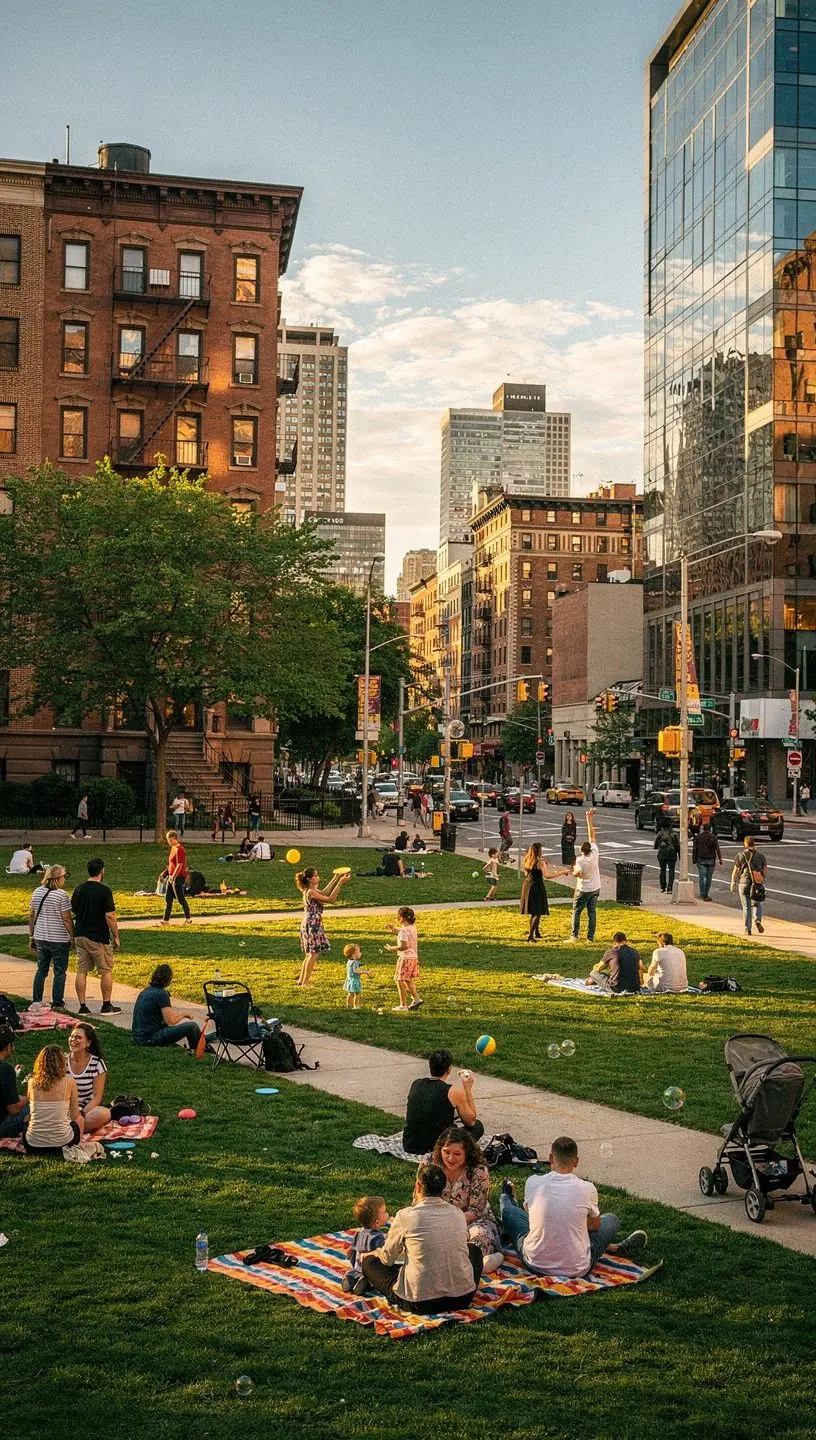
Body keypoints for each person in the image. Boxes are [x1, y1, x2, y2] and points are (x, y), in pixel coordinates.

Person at [500, 1135, 647, 1277]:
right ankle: (613, 1248)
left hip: (535, 1263)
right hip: (577, 1268)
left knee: (509, 1212)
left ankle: (507, 1197)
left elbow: (530, 1215)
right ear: (576, 1162)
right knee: (611, 1219)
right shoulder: (587, 1188)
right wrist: (573, 1219)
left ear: (551, 1158)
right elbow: (595, 1227)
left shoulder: (533, 1182)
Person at [361, 1163, 484, 1314]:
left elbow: (387, 1259)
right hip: (462, 1298)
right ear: (443, 1188)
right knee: (474, 1251)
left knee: (369, 1262)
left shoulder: (405, 1216)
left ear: (418, 1186)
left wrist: (376, 1253)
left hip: (418, 1302)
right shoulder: (458, 1213)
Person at [430, 1127, 503, 1272]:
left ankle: (474, 1263)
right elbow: (419, 1199)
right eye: (446, 1152)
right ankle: (470, 1266)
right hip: (434, 1219)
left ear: (467, 1153)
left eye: (457, 1154)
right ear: (440, 1150)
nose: (450, 1158)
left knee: (478, 1240)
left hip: (471, 1220)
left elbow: (476, 1211)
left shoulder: (478, 1170)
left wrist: (450, 1222)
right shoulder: (429, 1164)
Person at [403, 1049, 484, 1155]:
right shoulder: (452, 1091)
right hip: (438, 1148)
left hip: (410, 1145)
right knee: (477, 1126)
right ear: (449, 1069)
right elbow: (471, 1121)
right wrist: (467, 1088)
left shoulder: (416, 1084)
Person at [71, 857, 122, 1015]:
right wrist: (116, 936)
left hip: (80, 934)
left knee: (82, 970)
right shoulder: (104, 891)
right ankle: (106, 1005)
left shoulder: (79, 889)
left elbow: (74, 909)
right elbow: (110, 916)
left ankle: (83, 1006)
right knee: (106, 970)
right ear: (102, 871)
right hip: (98, 936)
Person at [295, 865, 350, 987]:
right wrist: (340, 883)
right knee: (313, 954)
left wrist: (335, 878)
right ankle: (305, 982)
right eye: (315, 875)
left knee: (309, 954)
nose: (317, 876)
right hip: (313, 923)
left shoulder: (310, 891)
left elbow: (325, 892)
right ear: (309, 879)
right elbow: (330, 899)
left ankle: (301, 980)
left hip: (309, 922)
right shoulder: (311, 892)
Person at [29, 863, 74, 1011]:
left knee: (41, 969)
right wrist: (72, 936)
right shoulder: (61, 895)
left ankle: (36, 1000)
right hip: (58, 938)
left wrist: (31, 936)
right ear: (57, 878)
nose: (65, 879)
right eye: (64, 876)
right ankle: (57, 1002)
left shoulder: (36, 892)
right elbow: (66, 919)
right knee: (59, 971)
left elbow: (32, 915)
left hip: (40, 936)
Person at [23, 1043, 83, 1155]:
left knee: (27, 1121)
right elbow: (75, 1115)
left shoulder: (31, 1082)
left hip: (33, 1145)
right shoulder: (69, 1082)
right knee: (77, 1123)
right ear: (61, 1063)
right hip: (63, 1143)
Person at [132, 963, 205, 1050]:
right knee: (192, 1026)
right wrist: (184, 1015)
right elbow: (170, 1021)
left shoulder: (146, 990)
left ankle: (206, 1039)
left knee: (195, 1032)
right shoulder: (161, 993)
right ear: (168, 979)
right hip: (150, 1038)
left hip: (138, 1036)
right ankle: (201, 1046)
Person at [66, 1022, 110, 1132]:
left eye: (78, 1037)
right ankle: (73, 1129)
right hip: (64, 1107)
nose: (73, 1040)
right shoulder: (61, 1062)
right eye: (72, 1036)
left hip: (85, 1109)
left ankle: (69, 1129)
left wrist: (82, 1114)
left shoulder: (97, 1064)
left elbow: (97, 1097)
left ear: (88, 1043)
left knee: (104, 1114)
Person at [520, 842, 569, 942]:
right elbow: (547, 875)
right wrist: (562, 872)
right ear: (539, 851)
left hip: (528, 886)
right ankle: (530, 936)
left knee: (533, 911)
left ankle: (536, 932)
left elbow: (526, 874)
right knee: (537, 912)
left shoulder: (527, 859)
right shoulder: (540, 862)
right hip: (537, 887)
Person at [341, 1195, 388, 1294]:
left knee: (354, 1272)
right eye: (385, 1212)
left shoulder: (359, 1232)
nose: (387, 1214)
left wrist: (349, 1253)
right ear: (377, 1222)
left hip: (357, 1265)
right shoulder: (377, 1237)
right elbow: (383, 1252)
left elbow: (352, 1247)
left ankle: (349, 1278)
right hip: (368, 1268)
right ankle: (365, 1283)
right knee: (374, 1278)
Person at [566, 809, 600, 943]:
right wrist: (589, 819)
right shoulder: (595, 853)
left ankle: (574, 935)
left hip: (583, 888)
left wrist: (573, 872)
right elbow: (592, 834)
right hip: (596, 887)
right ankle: (590, 937)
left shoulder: (580, 861)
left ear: (581, 851)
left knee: (577, 911)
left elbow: (577, 873)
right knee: (592, 912)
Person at [386, 905, 422, 1011]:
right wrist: (394, 930)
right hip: (413, 958)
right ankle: (416, 999)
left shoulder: (403, 931)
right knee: (407, 979)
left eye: (397, 917)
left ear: (401, 918)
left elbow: (403, 946)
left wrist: (391, 948)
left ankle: (403, 1005)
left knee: (399, 980)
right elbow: (404, 933)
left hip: (405, 958)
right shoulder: (412, 928)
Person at [731, 835, 767, 936]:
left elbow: (736, 870)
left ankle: (747, 929)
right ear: (753, 843)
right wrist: (761, 879)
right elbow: (765, 870)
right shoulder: (761, 856)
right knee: (757, 902)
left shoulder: (740, 855)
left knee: (746, 906)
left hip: (743, 882)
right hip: (756, 883)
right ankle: (757, 919)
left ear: (745, 844)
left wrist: (733, 882)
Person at [0, 1023, 29, 1138]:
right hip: (2, 1126)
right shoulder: (5, 1069)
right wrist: (29, 1096)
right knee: (36, 1107)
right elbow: (13, 1109)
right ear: (8, 1046)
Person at [160, 829, 192, 925]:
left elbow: (180, 864)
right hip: (171, 876)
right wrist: (164, 873)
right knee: (168, 898)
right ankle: (166, 920)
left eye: (170, 840)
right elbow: (171, 864)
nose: (169, 842)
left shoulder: (180, 849)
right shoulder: (173, 848)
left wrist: (173, 876)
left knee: (180, 898)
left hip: (178, 877)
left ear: (174, 838)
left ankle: (188, 918)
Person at [692, 822, 722, 901]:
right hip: (711, 859)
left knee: (702, 877)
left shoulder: (698, 837)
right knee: (709, 878)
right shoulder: (713, 837)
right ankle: (706, 893)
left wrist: (694, 859)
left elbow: (695, 848)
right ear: (710, 829)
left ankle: (703, 893)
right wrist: (720, 859)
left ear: (703, 829)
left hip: (701, 859)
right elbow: (717, 849)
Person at [654, 820, 680, 894]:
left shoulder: (660, 834)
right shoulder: (674, 834)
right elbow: (678, 845)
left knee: (662, 870)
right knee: (671, 870)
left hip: (662, 854)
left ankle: (663, 887)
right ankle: (670, 887)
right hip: (672, 854)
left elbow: (655, 845)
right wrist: (679, 854)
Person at [342, 943, 370, 1011]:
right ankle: (356, 1006)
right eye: (359, 952)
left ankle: (348, 1005)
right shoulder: (355, 962)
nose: (361, 953)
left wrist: (363, 970)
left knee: (351, 993)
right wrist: (366, 972)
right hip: (355, 980)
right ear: (354, 955)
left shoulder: (349, 962)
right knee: (357, 994)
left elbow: (355, 969)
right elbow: (356, 970)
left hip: (350, 979)